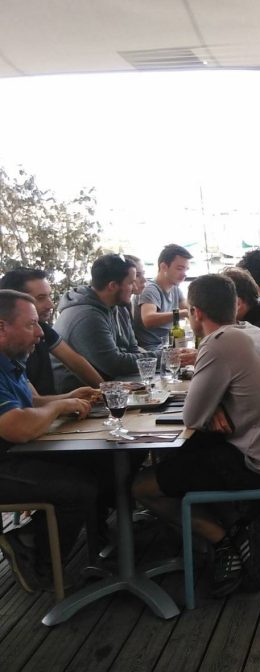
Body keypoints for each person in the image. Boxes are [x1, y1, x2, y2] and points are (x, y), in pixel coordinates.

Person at [132, 274, 260, 597]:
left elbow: (192, 417)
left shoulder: (219, 343)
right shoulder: (250, 330)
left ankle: (226, 539)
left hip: (255, 466)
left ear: (195, 312)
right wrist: (218, 403)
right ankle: (230, 532)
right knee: (179, 458)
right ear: (234, 305)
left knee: (140, 486)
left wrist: (210, 407)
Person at [0, 289, 100, 593]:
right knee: (80, 488)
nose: (40, 333)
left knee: (100, 463)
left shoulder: (11, 361)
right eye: (31, 324)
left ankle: (102, 548)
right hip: (7, 460)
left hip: (18, 454)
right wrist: (59, 407)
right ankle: (34, 554)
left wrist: (68, 397)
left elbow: (32, 401)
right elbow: (17, 427)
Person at [0, 268, 102, 394]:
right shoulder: (8, 346)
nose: (51, 305)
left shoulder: (42, 329)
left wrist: (105, 390)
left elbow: (76, 362)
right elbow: (33, 404)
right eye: (41, 298)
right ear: (18, 299)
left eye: (49, 296)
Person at [52, 254, 145, 390]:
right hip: (83, 399)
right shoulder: (87, 317)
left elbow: (133, 350)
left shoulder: (119, 307)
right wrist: (162, 357)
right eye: (130, 283)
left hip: (115, 386)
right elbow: (115, 365)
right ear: (112, 286)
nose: (135, 288)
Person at [136, 244, 192, 351]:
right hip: (151, 349)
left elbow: (188, 307)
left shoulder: (175, 288)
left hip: (168, 345)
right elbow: (148, 319)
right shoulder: (151, 289)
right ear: (164, 267)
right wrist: (182, 313)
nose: (184, 274)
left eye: (186, 269)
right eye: (180, 269)